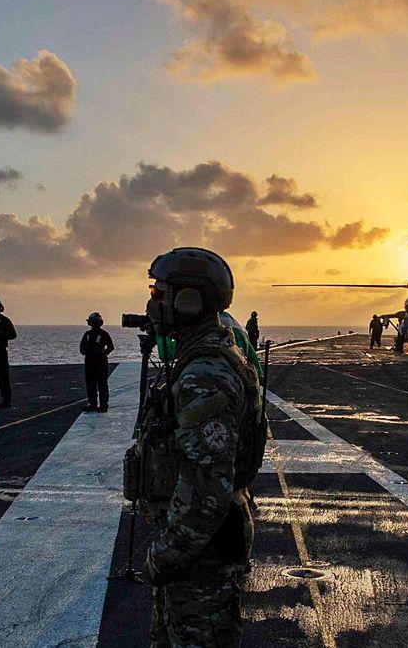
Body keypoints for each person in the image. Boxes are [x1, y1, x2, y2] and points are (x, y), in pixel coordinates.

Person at [136, 247, 259, 648]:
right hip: (195, 554)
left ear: (189, 299)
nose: (153, 304)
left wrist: (165, 554)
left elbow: (207, 491)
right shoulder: (201, 359)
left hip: (199, 558)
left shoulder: (205, 375)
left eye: (160, 294)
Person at [79, 312, 115, 412]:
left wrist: (103, 353)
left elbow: (111, 347)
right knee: (91, 384)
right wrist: (84, 351)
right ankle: (93, 404)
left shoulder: (103, 334)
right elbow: (82, 347)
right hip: (90, 362)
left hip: (100, 362)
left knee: (102, 384)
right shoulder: (87, 334)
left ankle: (103, 405)